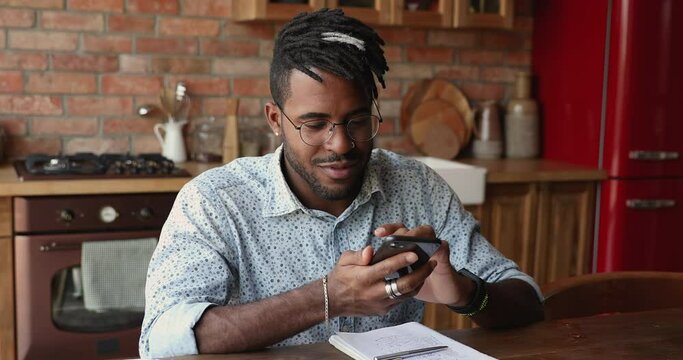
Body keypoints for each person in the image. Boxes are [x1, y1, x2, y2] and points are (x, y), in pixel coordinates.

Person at [139, 8, 544, 358]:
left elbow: (527, 300)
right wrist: (328, 297)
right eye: (314, 124)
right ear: (275, 120)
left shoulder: (416, 185)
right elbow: (161, 340)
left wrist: (464, 293)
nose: (341, 144)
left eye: (358, 121)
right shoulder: (216, 200)